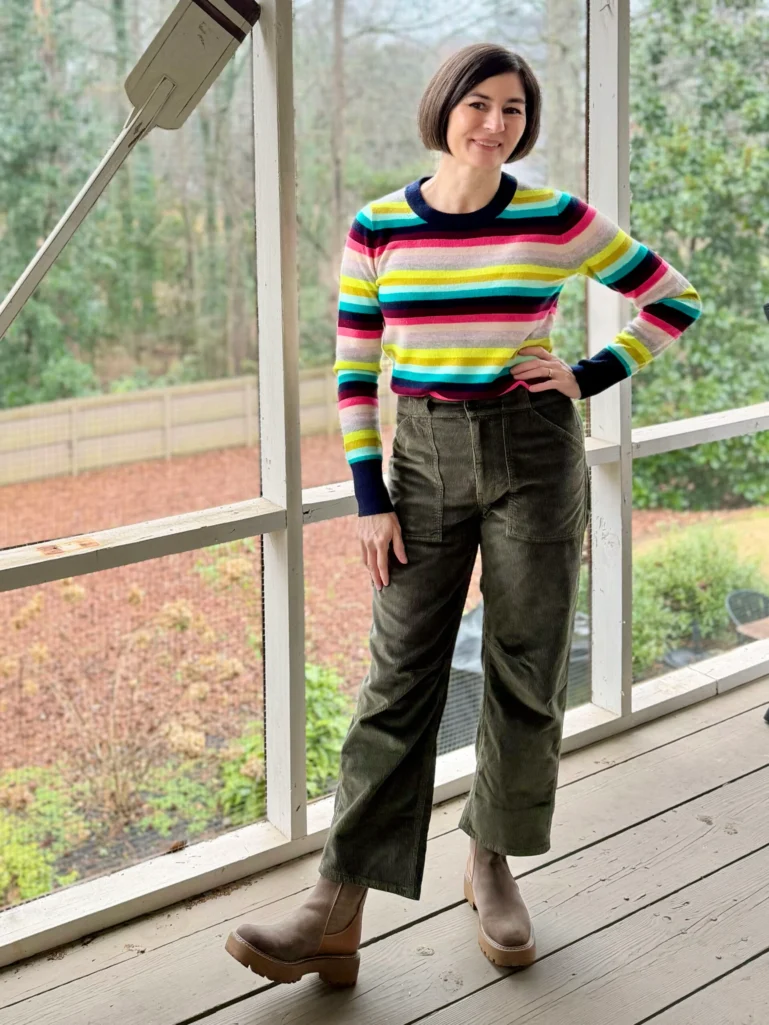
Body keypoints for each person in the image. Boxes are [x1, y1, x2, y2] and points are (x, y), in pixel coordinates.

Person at [225, 41, 702, 986]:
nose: (494, 124)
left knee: (525, 666)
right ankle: (335, 904)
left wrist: (589, 373)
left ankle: (489, 862)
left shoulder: (553, 215)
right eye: (477, 104)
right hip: (422, 455)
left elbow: (671, 297)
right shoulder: (377, 227)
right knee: (397, 675)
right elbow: (354, 369)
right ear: (443, 108)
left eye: (512, 110)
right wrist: (370, 497)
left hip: (533, 449)